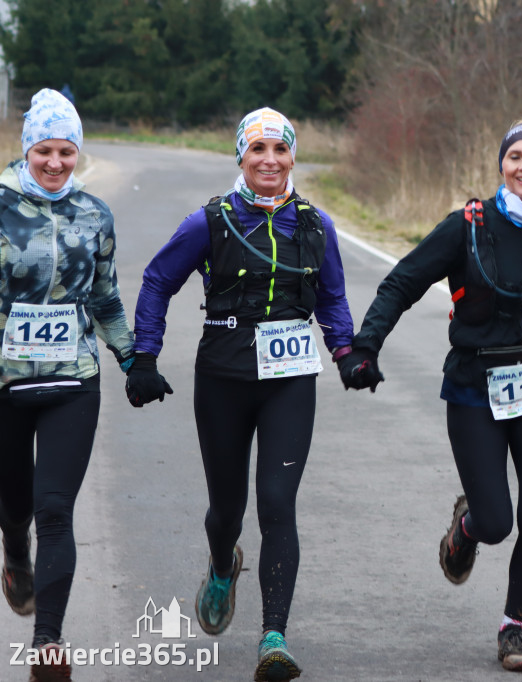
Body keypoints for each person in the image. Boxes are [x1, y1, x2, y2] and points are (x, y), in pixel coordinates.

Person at [340, 118, 522, 672]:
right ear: (501, 164)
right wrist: (366, 346)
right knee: (497, 522)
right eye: (515, 157)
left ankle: (513, 628)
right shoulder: (468, 227)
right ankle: (468, 527)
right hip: (474, 386)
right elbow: (403, 282)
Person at [130, 107, 353, 681]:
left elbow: (330, 297)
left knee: (278, 503)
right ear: (241, 157)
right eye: (258, 151)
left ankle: (273, 637)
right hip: (224, 378)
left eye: (280, 151)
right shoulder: (210, 221)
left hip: (289, 381)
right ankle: (224, 562)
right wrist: (145, 356)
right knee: (227, 510)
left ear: (292, 157)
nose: (270, 162)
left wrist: (347, 351)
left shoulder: (314, 224)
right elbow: (158, 280)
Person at [0, 88, 136, 681]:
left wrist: (135, 356)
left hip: (73, 379)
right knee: (16, 506)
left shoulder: (94, 214)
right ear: (27, 148)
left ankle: (47, 644)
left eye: (67, 152)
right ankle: (13, 551)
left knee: (55, 508)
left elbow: (104, 295)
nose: (56, 163)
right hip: (6, 383)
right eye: (45, 151)